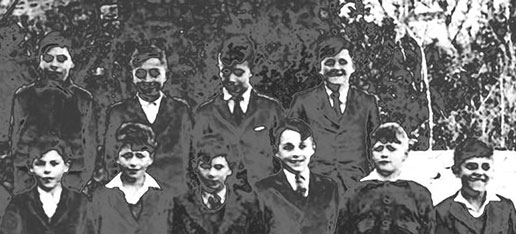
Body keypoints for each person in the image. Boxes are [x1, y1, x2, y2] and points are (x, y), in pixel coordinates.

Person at [286, 34, 381, 192]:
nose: (336, 68)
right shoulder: (303, 102)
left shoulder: (367, 103)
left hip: (357, 186)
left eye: (342, 62)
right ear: (319, 67)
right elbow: (290, 145)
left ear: (353, 66)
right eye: (329, 63)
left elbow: (375, 146)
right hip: (315, 186)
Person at [9, 31, 98, 192]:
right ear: (40, 61)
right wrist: (21, 177)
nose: (54, 65)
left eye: (61, 59)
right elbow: (16, 139)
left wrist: (81, 180)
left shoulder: (83, 99)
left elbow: (89, 144)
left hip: (72, 177)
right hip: (30, 178)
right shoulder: (24, 96)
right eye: (48, 58)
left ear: (72, 63)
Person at [193, 35, 283, 191]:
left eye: (238, 72)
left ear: (251, 70)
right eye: (225, 72)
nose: (231, 79)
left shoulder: (271, 109)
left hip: (265, 194)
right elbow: (196, 159)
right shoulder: (205, 114)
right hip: (224, 196)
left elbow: (284, 155)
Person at [102, 44, 193, 195]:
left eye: (154, 73)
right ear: (132, 76)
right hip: (132, 191)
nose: (148, 80)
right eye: (141, 74)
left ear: (166, 75)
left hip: (173, 191)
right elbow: (110, 157)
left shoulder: (180, 109)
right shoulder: (118, 112)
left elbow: (187, 154)